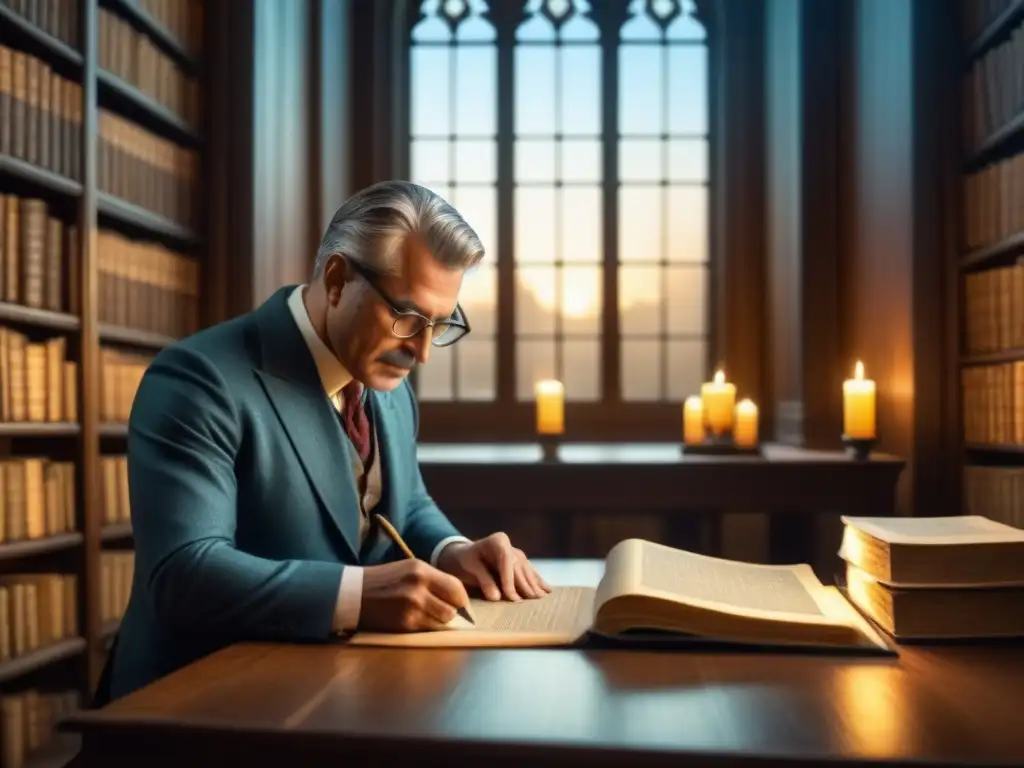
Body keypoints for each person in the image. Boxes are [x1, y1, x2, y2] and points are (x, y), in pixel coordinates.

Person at [98, 180, 551, 704]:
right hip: (193, 708)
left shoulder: (386, 381)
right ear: (337, 279)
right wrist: (359, 594)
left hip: (336, 691)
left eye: (440, 324)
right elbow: (183, 573)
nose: (422, 352)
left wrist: (454, 550)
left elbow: (403, 504)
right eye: (406, 318)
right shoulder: (198, 381)